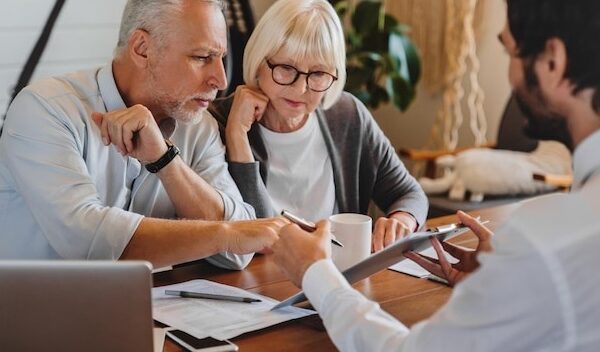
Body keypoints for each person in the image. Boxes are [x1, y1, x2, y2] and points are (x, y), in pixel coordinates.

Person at [271, 0, 600, 350]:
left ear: (553, 60)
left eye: (510, 53)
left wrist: (317, 275)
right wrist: (502, 282)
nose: (511, 76)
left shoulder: (547, 242)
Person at [0, 0, 287, 269]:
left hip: (151, 311)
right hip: (33, 315)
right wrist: (225, 235)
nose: (221, 80)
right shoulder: (45, 109)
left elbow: (240, 253)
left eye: (220, 58)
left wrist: (165, 160)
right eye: (202, 57)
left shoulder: (199, 125)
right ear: (141, 48)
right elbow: (86, 242)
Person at [209, 0, 428, 252]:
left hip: (335, 276)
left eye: (318, 74)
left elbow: (410, 193)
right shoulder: (219, 121)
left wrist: (402, 219)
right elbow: (249, 235)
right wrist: (236, 137)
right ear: (259, 61)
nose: (300, 89)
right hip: (255, 282)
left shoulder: (346, 115)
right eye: (286, 68)